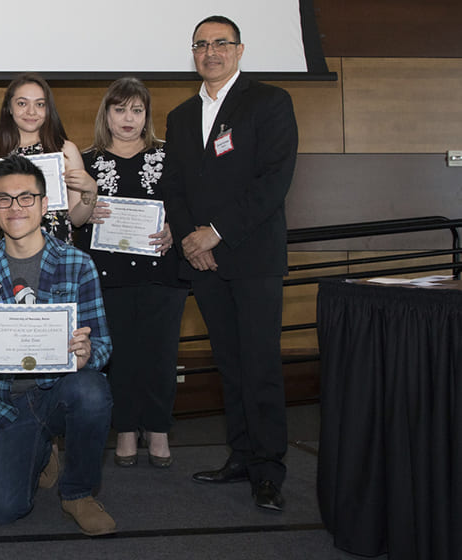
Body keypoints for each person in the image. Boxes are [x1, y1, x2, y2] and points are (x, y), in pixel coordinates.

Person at [160, 15, 298, 512]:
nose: (211, 52)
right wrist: (192, 243)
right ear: (192, 52)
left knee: (260, 365)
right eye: (201, 44)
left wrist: (214, 233)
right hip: (204, 263)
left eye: (221, 43)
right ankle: (241, 455)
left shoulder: (269, 102)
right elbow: (173, 185)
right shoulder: (179, 116)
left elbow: (273, 181)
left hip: (252, 256)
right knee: (230, 365)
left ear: (240, 50)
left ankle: (268, 470)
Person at [0, 155, 115, 536]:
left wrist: (88, 354)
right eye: (4, 199)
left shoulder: (78, 263)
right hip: (11, 405)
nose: (15, 207)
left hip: (62, 390)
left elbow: (104, 345)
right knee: (1, 509)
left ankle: (77, 493)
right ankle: (42, 452)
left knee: (92, 390)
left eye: (27, 198)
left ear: (44, 205)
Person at [72, 77, 188, 468]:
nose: (128, 118)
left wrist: (177, 227)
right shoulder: (87, 162)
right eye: (120, 109)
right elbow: (72, 217)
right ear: (106, 113)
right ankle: (124, 428)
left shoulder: (172, 156)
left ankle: (157, 427)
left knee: (160, 354)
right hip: (109, 273)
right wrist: (88, 210)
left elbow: (189, 206)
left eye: (137, 110)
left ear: (146, 116)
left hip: (162, 270)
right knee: (118, 354)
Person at [0, 73, 98, 243]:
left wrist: (90, 191)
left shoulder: (66, 151)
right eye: (22, 103)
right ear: (9, 107)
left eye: (40, 104)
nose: (31, 111)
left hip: (55, 254)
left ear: (48, 109)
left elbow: (76, 219)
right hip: (8, 255)